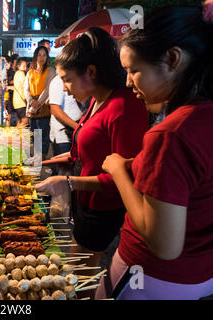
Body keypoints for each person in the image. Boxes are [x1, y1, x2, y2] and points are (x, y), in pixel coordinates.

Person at [98, 5, 213, 300]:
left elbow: (164, 244)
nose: (127, 83)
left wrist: (119, 170)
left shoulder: (172, 133)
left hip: (150, 280)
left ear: (173, 58)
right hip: (198, 277)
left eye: (134, 70)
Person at [35, 28, 149, 296]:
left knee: (81, 277)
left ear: (92, 72)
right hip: (85, 204)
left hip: (102, 209)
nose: (64, 87)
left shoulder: (124, 106)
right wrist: (49, 162)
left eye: (68, 80)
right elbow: (87, 151)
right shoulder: (98, 100)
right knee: (75, 270)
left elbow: (121, 176)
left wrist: (68, 182)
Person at [24, 46, 56, 158]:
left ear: (47, 57)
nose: (42, 57)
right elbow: (26, 89)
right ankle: (37, 157)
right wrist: (31, 101)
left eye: (44, 55)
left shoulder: (51, 70)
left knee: (43, 134)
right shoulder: (30, 72)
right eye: (39, 55)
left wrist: (37, 103)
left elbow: (48, 89)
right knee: (34, 134)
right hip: (32, 105)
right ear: (35, 56)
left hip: (43, 106)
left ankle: (42, 158)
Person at [48, 74, 83, 172]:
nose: (64, 89)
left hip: (74, 131)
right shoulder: (57, 82)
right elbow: (55, 110)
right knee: (66, 172)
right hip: (63, 134)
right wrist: (78, 128)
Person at [12, 58, 28, 127]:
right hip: (21, 102)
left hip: (16, 102)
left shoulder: (17, 73)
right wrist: (26, 99)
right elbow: (23, 88)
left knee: (19, 122)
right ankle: (15, 134)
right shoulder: (21, 73)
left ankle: (17, 136)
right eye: (23, 65)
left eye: (25, 65)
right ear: (18, 66)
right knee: (25, 121)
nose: (25, 67)